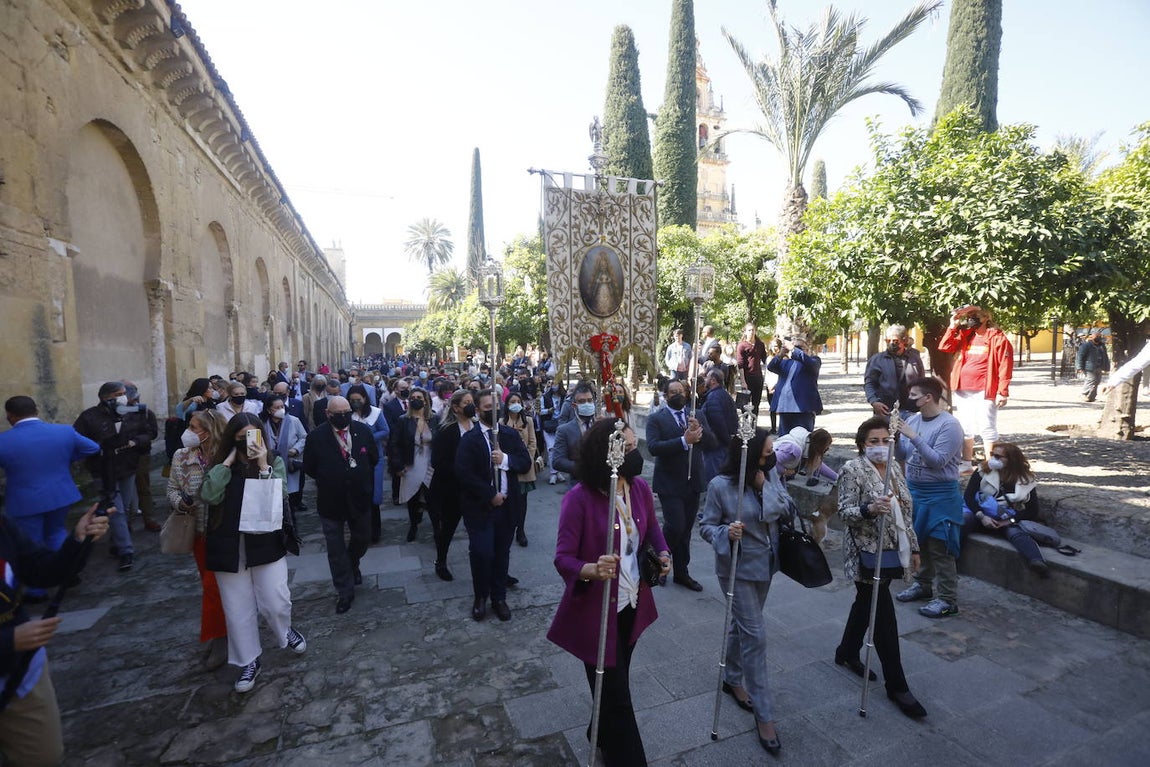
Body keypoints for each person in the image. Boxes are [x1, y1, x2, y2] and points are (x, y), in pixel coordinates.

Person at [546, 419, 670, 765]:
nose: (636, 454)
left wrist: (664, 554)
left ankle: (596, 733)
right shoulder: (579, 500)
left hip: (632, 603)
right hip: (596, 615)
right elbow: (563, 558)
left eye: (634, 446)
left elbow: (652, 531)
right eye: (628, 449)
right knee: (619, 698)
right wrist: (591, 569)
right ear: (607, 455)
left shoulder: (639, 488)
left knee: (615, 685)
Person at [201, 412, 305, 692]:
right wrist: (227, 462)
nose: (247, 442)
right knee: (237, 609)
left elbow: (280, 494)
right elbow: (209, 495)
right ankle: (248, 660)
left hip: (265, 542)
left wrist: (262, 464)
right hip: (228, 543)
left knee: (276, 599)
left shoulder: (274, 462)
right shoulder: (222, 465)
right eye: (240, 437)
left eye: (252, 435)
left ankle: (285, 629)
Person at [698, 429, 788, 753]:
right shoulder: (720, 486)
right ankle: (764, 715)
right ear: (747, 455)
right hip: (735, 570)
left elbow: (786, 509)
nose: (770, 457)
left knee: (743, 625)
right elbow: (706, 526)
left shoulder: (769, 475)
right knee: (756, 636)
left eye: (771, 452)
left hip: (765, 565)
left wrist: (765, 489)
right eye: (765, 453)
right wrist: (726, 532)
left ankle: (732, 678)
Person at [0, 503, 110, 766]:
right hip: (14, 648)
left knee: (44, 757)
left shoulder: (3, 524)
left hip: (20, 674)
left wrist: (77, 541)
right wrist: (8, 641)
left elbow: (42, 569)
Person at [836, 416, 927, 718]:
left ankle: (847, 651)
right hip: (866, 553)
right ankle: (897, 685)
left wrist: (913, 547)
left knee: (866, 604)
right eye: (872, 441)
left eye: (884, 440)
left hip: (893, 550)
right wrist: (869, 509)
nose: (879, 446)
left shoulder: (896, 469)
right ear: (862, 444)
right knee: (884, 616)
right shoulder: (853, 470)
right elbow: (845, 512)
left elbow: (906, 512)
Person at [0, 396, 100, 600]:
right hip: (60, 493)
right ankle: (69, 573)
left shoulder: (4, 440)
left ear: (10, 415)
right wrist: (66, 460)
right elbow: (93, 448)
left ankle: (37, 590)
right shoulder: (63, 431)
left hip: (24, 498)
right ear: (36, 410)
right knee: (56, 532)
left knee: (31, 541)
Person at [455, 389, 531, 622]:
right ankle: (481, 597)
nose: (493, 411)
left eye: (495, 407)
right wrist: (489, 494)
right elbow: (464, 473)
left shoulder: (509, 434)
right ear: (478, 410)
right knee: (481, 552)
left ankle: (499, 597)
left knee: (501, 554)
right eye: (488, 408)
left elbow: (525, 462)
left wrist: (505, 460)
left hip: (507, 508)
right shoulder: (470, 438)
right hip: (481, 508)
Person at [894, 378, 965, 618]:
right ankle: (922, 585)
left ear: (928, 397)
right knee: (920, 542)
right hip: (916, 492)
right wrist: (894, 438)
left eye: (914, 395)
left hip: (940, 496)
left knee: (940, 547)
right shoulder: (913, 420)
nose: (910, 399)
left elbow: (938, 461)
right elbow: (903, 455)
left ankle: (947, 599)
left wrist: (913, 436)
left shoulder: (950, 425)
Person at [302, 397, 379, 614]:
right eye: (339, 412)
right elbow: (310, 467)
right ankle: (344, 591)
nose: (344, 415)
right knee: (335, 549)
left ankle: (352, 563)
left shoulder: (362, 431)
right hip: (331, 501)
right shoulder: (316, 437)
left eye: (347, 411)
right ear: (328, 413)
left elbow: (372, 458)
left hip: (359, 497)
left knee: (362, 538)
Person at [166, 409, 229, 670]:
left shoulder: (226, 456)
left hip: (223, 531)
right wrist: (180, 502)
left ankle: (219, 637)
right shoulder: (182, 456)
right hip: (198, 532)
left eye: (194, 427)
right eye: (189, 426)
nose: (189, 432)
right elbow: (171, 488)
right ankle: (219, 633)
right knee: (210, 586)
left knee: (216, 587)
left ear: (209, 430)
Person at [645, 378, 716, 591]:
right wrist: (684, 441)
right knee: (675, 525)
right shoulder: (656, 419)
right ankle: (659, 561)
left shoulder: (696, 414)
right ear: (666, 396)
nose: (678, 395)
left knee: (685, 530)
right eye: (673, 392)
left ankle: (682, 573)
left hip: (692, 481)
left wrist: (699, 431)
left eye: (681, 391)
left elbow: (712, 443)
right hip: (669, 482)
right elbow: (653, 447)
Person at [73, 381, 149, 572]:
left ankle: (117, 542)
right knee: (116, 510)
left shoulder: (133, 411)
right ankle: (126, 550)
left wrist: (135, 442)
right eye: (119, 393)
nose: (124, 396)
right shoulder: (89, 417)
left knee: (126, 506)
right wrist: (98, 447)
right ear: (106, 397)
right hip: (102, 468)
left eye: (124, 393)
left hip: (127, 466)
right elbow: (78, 440)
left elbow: (148, 433)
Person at [938, 305, 1013, 469]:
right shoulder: (966, 334)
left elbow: (1005, 366)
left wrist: (1002, 391)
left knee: (987, 426)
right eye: (969, 315)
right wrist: (953, 325)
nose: (971, 318)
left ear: (986, 317)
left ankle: (991, 464)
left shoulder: (997, 338)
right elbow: (945, 346)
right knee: (965, 426)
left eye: (975, 315)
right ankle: (966, 463)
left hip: (985, 390)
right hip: (963, 388)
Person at [963, 442, 1048, 577]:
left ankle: (1037, 561)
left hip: (1006, 518)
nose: (993, 459)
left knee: (1016, 532)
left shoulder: (1026, 479)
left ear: (1011, 460)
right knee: (963, 520)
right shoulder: (983, 470)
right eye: (992, 455)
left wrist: (1008, 521)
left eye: (998, 456)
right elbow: (968, 497)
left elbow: (1032, 510)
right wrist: (982, 516)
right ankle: (952, 557)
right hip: (980, 514)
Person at [428, 390, 474, 581]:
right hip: (451, 489)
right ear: (456, 408)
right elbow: (438, 461)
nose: (471, 405)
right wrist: (462, 470)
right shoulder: (447, 430)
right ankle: (441, 561)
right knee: (447, 528)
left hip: (474, 488)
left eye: (472, 401)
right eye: (466, 402)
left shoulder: (477, 426)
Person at [389, 387, 435, 543]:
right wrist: (398, 465)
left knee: (432, 497)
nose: (417, 400)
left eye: (420, 397)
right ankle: (414, 524)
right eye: (413, 397)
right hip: (411, 462)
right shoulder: (403, 420)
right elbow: (394, 444)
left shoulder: (434, 418)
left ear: (425, 400)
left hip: (430, 462)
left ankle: (437, 527)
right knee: (413, 497)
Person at [348, 384, 389, 544]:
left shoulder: (375, 413)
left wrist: (368, 438)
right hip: (353, 459)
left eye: (358, 399)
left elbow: (385, 431)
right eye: (352, 400)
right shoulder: (348, 414)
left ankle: (375, 531)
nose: (355, 402)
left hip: (374, 459)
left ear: (364, 399)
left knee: (373, 495)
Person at [122, 380, 161, 533]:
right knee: (124, 490)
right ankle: (127, 521)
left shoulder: (145, 412)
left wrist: (136, 441)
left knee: (143, 487)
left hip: (140, 454)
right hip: (121, 456)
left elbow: (152, 433)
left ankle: (149, 518)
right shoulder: (117, 413)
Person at [864, 325, 926, 418]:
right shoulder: (877, 360)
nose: (891, 343)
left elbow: (922, 382)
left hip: (912, 410)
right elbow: (869, 384)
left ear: (904, 340)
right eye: (888, 341)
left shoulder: (915, 359)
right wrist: (874, 401)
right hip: (885, 410)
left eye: (895, 341)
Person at [261, 396, 307, 515]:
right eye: (277, 407)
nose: (281, 409)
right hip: (270, 463)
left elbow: (304, 437)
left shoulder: (293, 420)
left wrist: (296, 449)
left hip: (289, 462)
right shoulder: (262, 423)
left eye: (282, 406)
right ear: (269, 410)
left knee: (289, 499)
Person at [503, 392, 538, 547]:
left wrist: (527, 459)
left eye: (518, 401)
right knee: (509, 500)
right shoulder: (501, 422)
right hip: (508, 464)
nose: (516, 404)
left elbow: (532, 442)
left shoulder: (528, 420)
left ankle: (521, 530)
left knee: (522, 501)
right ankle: (509, 527)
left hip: (524, 465)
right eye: (512, 401)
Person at [767, 337, 823, 435]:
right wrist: (781, 354)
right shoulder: (785, 363)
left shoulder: (814, 360)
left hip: (804, 408)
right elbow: (771, 367)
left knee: (804, 439)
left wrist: (793, 349)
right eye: (795, 347)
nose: (796, 349)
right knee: (784, 439)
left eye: (800, 347)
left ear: (807, 349)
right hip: (785, 407)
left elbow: (812, 365)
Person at [551, 382, 599, 483]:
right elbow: (557, 461)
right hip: (578, 483)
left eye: (590, 400)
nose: (587, 404)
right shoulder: (564, 430)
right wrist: (583, 468)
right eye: (582, 401)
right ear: (574, 405)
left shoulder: (602, 425)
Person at [698, 369, 738, 483]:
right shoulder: (724, 394)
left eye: (707, 377)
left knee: (714, 479)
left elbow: (717, 422)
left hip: (716, 445)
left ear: (713, 380)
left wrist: (724, 441)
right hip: (722, 443)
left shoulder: (714, 397)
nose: (705, 379)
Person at [382, 378, 413, 505]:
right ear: (396, 390)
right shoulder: (390, 406)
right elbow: (390, 426)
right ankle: (397, 495)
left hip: (412, 442)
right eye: (402, 389)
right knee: (397, 471)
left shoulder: (413, 403)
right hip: (397, 443)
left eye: (407, 388)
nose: (406, 391)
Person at [736, 324, 768, 416]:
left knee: (756, 404)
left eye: (753, 330)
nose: (751, 332)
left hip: (758, 377)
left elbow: (765, 360)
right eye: (749, 330)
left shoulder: (760, 344)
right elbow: (740, 364)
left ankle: (754, 425)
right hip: (747, 377)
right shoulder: (741, 345)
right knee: (744, 404)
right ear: (745, 332)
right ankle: (744, 426)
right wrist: (742, 381)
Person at [1075, 330, 1111, 403]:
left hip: (1099, 366)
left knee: (1097, 381)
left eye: (1099, 336)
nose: (1098, 337)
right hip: (1089, 367)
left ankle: (1091, 397)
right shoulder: (1086, 345)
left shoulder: (1102, 345)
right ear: (1092, 337)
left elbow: (1105, 356)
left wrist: (1107, 367)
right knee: (1091, 380)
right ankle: (1084, 394)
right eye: (1097, 336)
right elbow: (1080, 356)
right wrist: (1079, 367)